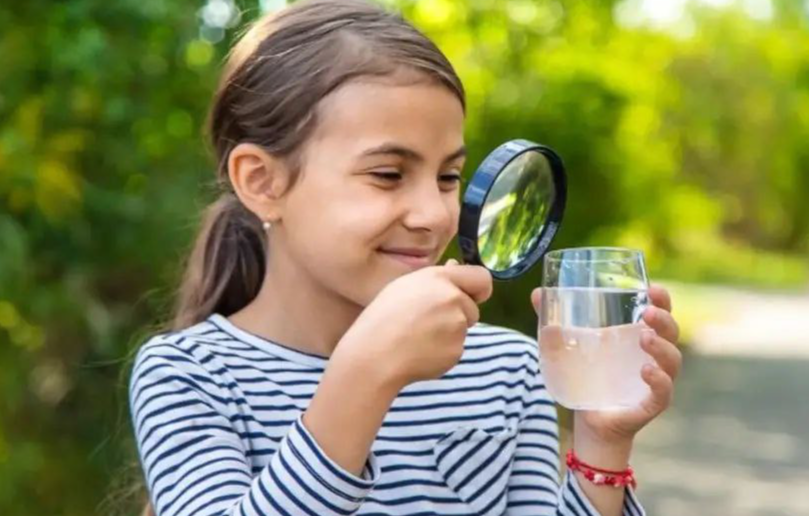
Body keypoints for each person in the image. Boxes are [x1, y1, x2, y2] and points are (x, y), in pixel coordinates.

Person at [128, 1, 683, 515]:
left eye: (447, 177)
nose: (434, 215)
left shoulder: (509, 370)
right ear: (263, 181)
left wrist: (602, 447)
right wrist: (365, 375)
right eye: (388, 174)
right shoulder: (189, 375)